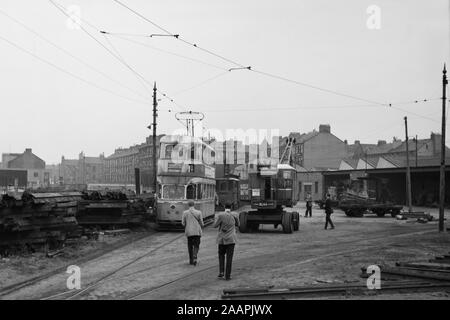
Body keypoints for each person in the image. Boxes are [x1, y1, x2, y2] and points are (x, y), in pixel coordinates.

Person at [213, 203, 239, 280]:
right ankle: (228, 275)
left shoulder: (220, 215)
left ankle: (221, 272)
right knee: (229, 258)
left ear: (224, 207)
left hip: (222, 239)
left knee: (221, 255)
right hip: (231, 239)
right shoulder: (235, 215)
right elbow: (238, 224)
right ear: (231, 207)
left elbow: (215, 226)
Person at [182, 200, 204, 266]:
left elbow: (183, 223)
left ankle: (191, 260)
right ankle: (195, 256)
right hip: (197, 231)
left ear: (188, 205)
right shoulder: (199, 212)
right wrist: (201, 225)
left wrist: (187, 225)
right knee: (196, 245)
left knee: (190, 246)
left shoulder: (185, 213)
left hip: (189, 232)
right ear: (194, 205)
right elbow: (202, 223)